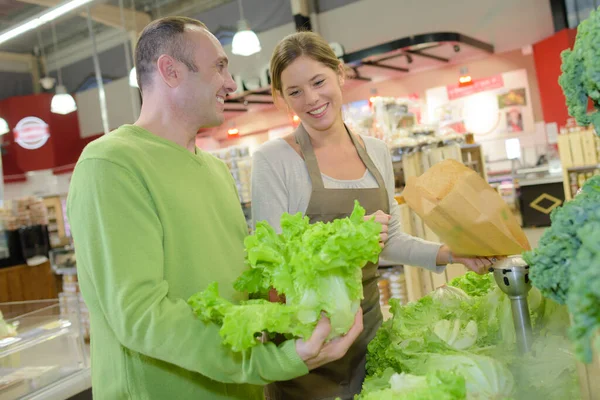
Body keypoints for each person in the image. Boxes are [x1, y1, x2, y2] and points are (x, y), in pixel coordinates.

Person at [66, 17, 363, 400]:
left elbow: (241, 287)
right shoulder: (111, 164)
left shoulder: (215, 169)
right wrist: (272, 361)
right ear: (170, 71)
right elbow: (141, 316)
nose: (231, 83)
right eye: (219, 67)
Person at [251, 31, 495, 400]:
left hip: (368, 331)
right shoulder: (273, 159)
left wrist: (449, 253)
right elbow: (273, 271)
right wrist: (347, 238)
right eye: (295, 91)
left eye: (319, 82)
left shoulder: (376, 151)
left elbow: (389, 240)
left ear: (340, 75)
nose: (312, 99)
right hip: (307, 342)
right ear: (281, 97)